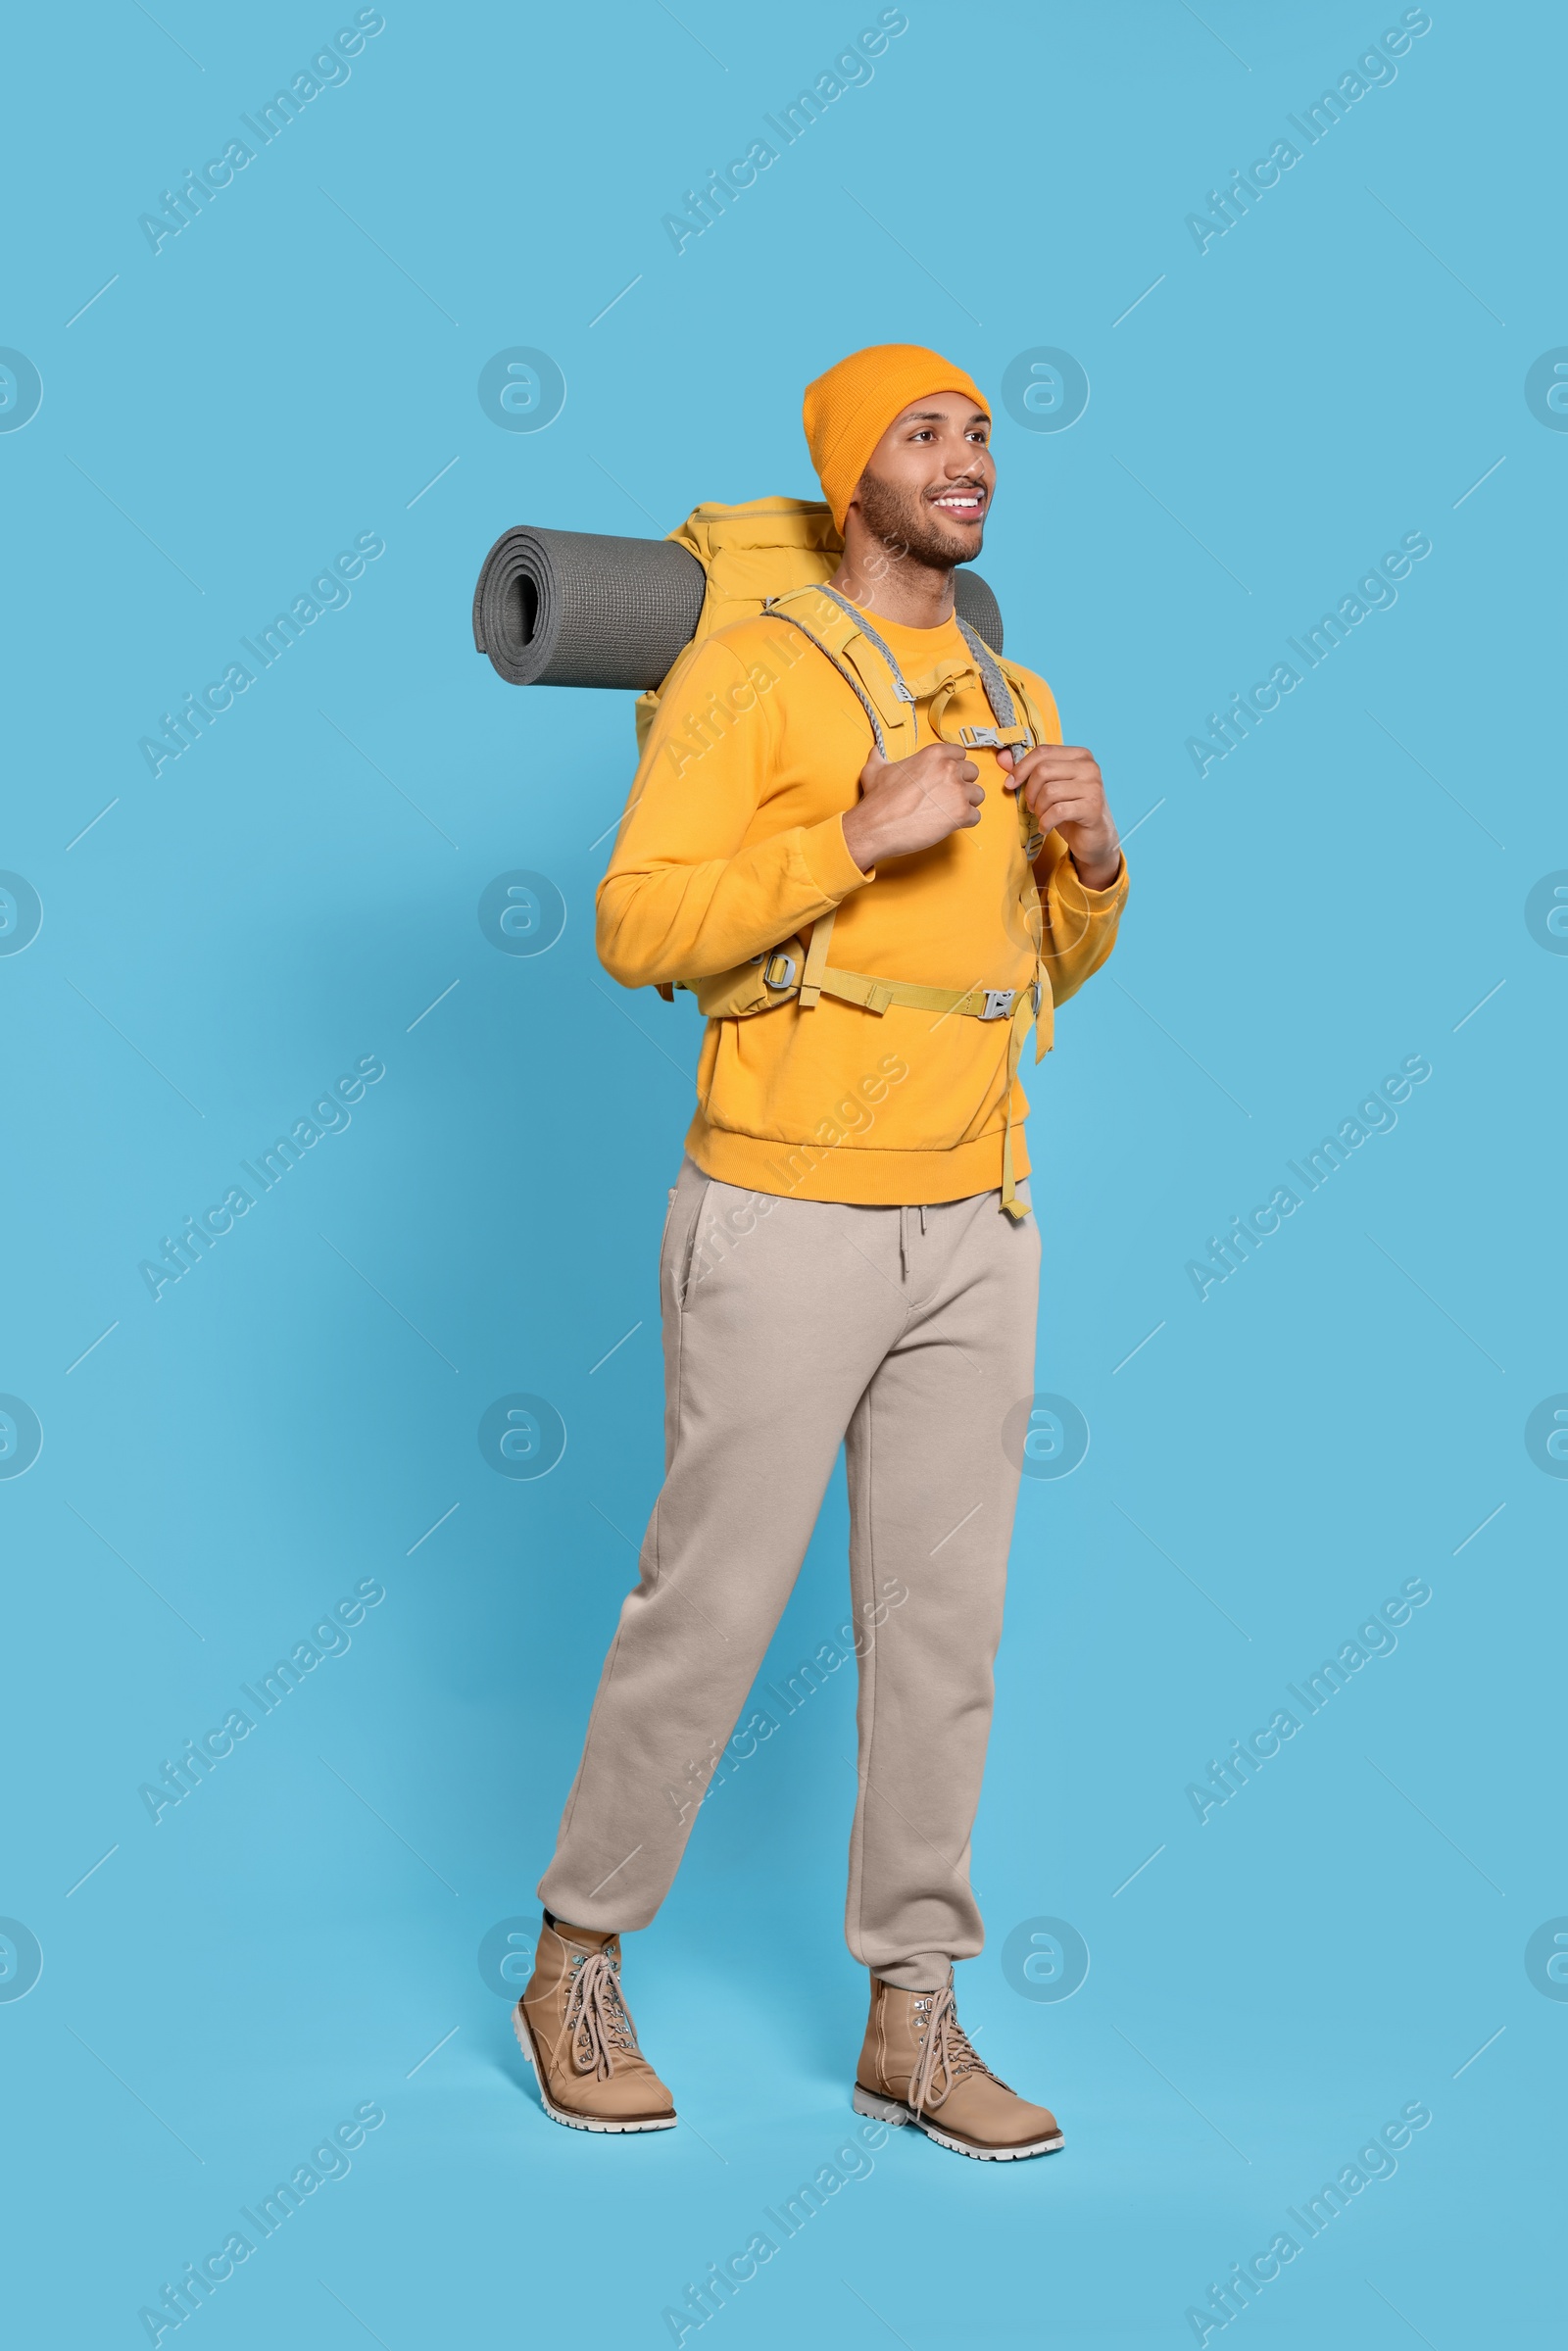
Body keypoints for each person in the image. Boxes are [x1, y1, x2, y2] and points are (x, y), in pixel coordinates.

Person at [516, 344, 1127, 2159]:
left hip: (979, 1221)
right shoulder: (748, 673)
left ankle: (915, 2023)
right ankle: (575, 1961)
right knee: (709, 1605)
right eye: (929, 434)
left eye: (985, 439)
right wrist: (857, 832)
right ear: (851, 467)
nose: (971, 462)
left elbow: (1035, 976)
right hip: (782, 1209)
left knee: (944, 1631)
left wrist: (1089, 866)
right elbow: (639, 923)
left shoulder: (1013, 686)